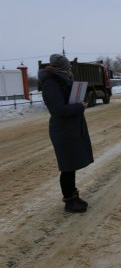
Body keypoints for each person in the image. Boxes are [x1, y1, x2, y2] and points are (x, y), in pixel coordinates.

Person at [38, 54, 94, 213]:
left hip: (70, 128)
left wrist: (79, 100)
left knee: (72, 164)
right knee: (68, 165)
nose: (69, 69)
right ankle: (69, 201)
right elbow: (58, 109)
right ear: (61, 67)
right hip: (63, 130)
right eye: (67, 66)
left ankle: (73, 195)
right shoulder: (51, 83)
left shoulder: (61, 80)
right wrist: (80, 107)